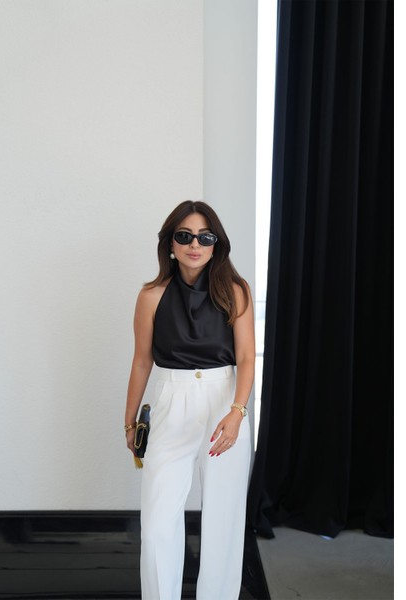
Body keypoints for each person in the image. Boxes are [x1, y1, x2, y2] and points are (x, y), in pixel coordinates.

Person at [124, 200, 255, 600]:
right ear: (170, 244)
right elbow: (142, 361)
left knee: (223, 519)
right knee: (158, 521)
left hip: (224, 402)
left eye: (204, 237)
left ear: (216, 244)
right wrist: (130, 421)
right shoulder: (151, 295)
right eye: (184, 236)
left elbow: (247, 357)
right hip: (171, 399)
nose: (194, 244)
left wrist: (237, 412)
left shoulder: (235, 291)